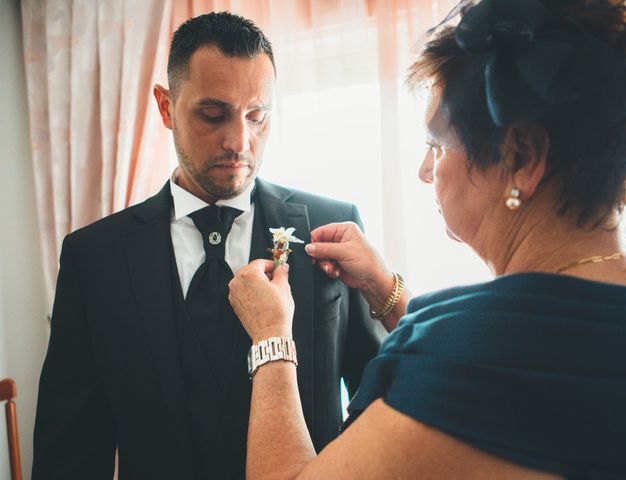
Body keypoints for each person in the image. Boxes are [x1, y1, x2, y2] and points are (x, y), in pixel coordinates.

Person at [228, 0, 626, 478]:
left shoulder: (467, 358)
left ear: (523, 157)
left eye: (438, 145)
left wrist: (271, 337)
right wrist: (385, 288)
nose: (426, 172)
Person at [32, 11, 385, 480]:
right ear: (166, 107)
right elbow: (69, 453)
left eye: (257, 116)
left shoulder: (331, 228)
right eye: (213, 114)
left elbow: (382, 404)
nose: (239, 141)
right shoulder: (94, 259)